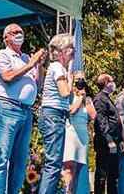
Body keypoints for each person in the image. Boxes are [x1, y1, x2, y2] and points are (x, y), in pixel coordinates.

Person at [0, 24, 46, 194]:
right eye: (15, 32)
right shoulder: (3, 55)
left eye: (21, 32)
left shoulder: (26, 58)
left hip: (26, 111)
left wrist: (38, 65)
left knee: (20, 161)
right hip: (8, 108)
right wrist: (30, 64)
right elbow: (8, 77)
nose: (19, 34)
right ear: (6, 38)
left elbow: (38, 84)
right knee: (2, 157)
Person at [39, 33, 76, 194]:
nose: (73, 51)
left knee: (55, 163)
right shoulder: (57, 67)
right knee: (53, 164)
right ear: (61, 50)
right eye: (70, 48)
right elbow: (64, 92)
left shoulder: (57, 68)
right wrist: (71, 80)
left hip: (55, 116)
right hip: (53, 116)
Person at [62, 72, 97, 194]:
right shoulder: (69, 96)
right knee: (69, 168)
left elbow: (93, 115)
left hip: (82, 135)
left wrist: (85, 99)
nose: (81, 81)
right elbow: (71, 111)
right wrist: (80, 98)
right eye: (78, 79)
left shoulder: (87, 99)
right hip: (71, 133)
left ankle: (73, 191)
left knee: (77, 169)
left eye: (83, 79)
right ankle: (66, 191)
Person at [93, 74, 124, 194]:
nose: (113, 83)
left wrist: (119, 140)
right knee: (102, 175)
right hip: (105, 143)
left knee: (113, 175)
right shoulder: (100, 99)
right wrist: (109, 140)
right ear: (106, 83)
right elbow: (102, 121)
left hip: (114, 141)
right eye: (112, 81)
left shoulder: (107, 98)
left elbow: (114, 120)